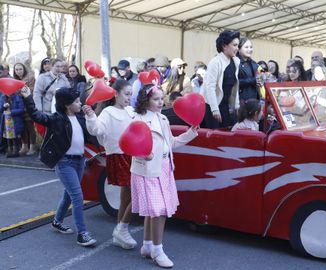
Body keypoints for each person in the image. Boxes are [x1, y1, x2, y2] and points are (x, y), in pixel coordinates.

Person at [20, 86, 98, 247]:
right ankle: (82, 234)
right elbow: (35, 115)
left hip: (80, 161)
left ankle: (57, 221)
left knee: (69, 195)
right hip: (64, 163)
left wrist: (92, 115)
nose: (80, 103)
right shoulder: (56, 119)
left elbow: (93, 134)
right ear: (66, 105)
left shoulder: (81, 117)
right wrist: (28, 97)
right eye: (76, 101)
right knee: (77, 196)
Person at [132, 84, 198, 268]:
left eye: (162, 98)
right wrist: (142, 154)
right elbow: (130, 145)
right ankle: (157, 250)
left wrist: (191, 132)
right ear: (146, 100)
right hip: (147, 169)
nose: (161, 102)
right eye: (156, 99)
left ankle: (147, 246)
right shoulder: (139, 120)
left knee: (154, 210)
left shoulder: (162, 118)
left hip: (164, 167)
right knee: (158, 210)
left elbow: (171, 143)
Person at [83, 79, 137, 249]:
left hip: (134, 156)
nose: (129, 98)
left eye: (131, 94)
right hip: (119, 156)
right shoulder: (108, 112)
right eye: (126, 94)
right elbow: (96, 130)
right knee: (137, 194)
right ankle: (122, 229)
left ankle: (120, 230)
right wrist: (91, 116)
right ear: (116, 94)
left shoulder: (130, 110)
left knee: (126, 197)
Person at [201, 30, 241, 129]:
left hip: (226, 105)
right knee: (215, 135)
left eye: (238, 45)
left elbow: (235, 86)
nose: (237, 48)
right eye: (234, 45)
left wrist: (236, 105)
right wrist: (214, 109)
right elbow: (210, 87)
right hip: (212, 105)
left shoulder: (236, 61)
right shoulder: (215, 62)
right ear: (224, 46)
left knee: (226, 133)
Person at [13, 63, 37, 155]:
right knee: (22, 126)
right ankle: (24, 146)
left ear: (24, 69)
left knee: (30, 126)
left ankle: (33, 147)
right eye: (16, 69)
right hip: (18, 106)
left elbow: (31, 91)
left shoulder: (30, 78)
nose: (18, 71)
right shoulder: (14, 79)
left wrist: (19, 91)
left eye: (20, 69)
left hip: (28, 105)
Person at [0, 90, 25, 157]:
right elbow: (0, 109)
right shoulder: (3, 97)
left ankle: (15, 151)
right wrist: (4, 106)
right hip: (6, 121)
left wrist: (11, 112)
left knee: (15, 136)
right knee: (7, 136)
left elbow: (22, 109)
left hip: (15, 121)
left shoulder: (17, 97)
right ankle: (9, 150)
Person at [237, 37, 260, 102]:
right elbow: (235, 82)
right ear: (239, 49)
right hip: (242, 100)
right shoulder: (235, 63)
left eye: (251, 47)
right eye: (246, 47)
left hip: (254, 99)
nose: (249, 49)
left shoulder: (254, 63)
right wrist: (252, 81)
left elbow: (257, 79)